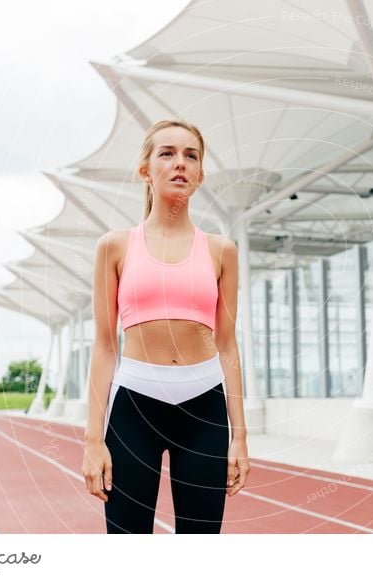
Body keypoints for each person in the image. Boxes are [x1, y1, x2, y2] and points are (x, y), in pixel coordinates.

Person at [81, 119, 250, 534]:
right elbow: (105, 347)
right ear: (146, 170)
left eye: (190, 156)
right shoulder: (115, 247)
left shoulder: (222, 251)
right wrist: (92, 441)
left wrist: (240, 438)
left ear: (200, 174)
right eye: (167, 153)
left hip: (204, 408)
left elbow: (227, 345)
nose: (180, 163)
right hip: (136, 405)